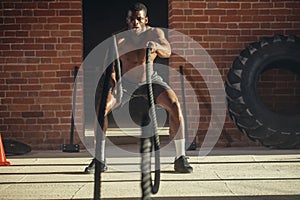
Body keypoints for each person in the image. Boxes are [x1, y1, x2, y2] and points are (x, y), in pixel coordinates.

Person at [85, 2, 193, 174]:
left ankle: (180, 158)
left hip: (150, 80)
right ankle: (99, 159)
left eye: (139, 19)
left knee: (174, 105)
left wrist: (156, 46)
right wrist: (114, 85)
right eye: (131, 19)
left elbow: (168, 51)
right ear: (127, 21)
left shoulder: (154, 33)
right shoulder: (118, 39)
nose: (135, 23)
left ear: (145, 20)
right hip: (125, 83)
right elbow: (108, 68)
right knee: (102, 109)